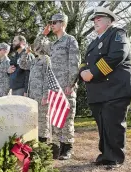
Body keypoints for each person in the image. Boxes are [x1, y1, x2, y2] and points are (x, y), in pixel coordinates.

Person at [79, 7, 131, 169]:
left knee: (113, 122)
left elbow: (117, 55)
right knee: (103, 123)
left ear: (110, 21)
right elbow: (85, 63)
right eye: (94, 20)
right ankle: (106, 155)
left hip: (117, 86)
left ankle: (115, 157)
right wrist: (82, 72)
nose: (96, 22)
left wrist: (93, 72)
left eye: (100, 19)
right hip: (101, 90)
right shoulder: (93, 42)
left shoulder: (117, 33)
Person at [36, 13, 80, 160]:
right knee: (56, 118)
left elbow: (74, 62)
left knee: (67, 117)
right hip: (54, 88)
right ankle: (58, 146)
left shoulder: (70, 40)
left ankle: (67, 147)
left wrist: (71, 83)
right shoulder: (53, 45)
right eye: (51, 22)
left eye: (54, 22)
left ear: (63, 24)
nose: (52, 24)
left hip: (66, 86)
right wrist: (43, 33)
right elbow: (36, 47)